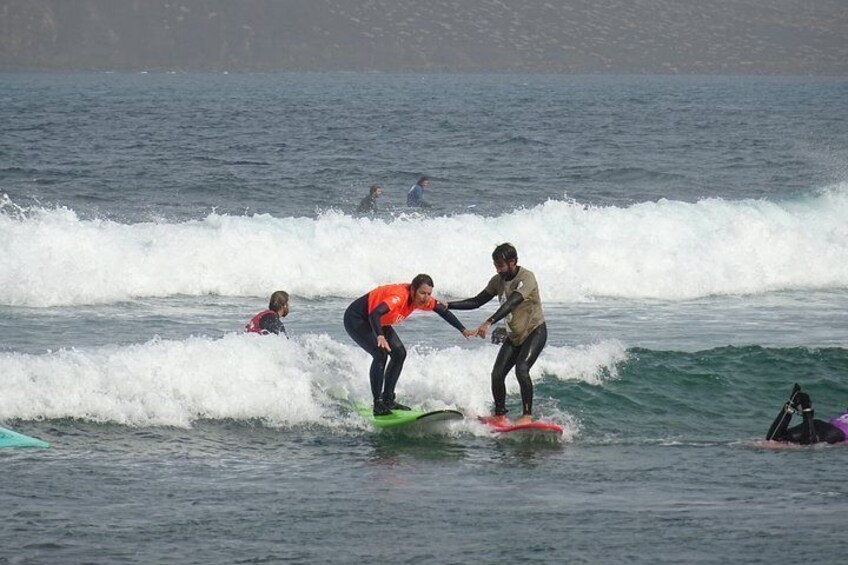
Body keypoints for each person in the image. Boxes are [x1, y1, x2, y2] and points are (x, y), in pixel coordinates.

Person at [344, 274, 476, 416]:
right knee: (380, 353)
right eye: (422, 293)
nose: (425, 298)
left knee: (399, 353)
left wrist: (463, 329)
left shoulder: (423, 300)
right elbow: (375, 313)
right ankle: (378, 403)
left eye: (428, 294)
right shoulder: (399, 297)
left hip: (379, 321)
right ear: (412, 290)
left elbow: (442, 311)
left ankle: (388, 399)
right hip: (358, 318)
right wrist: (380, 336)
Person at [446, 243, 546, 425]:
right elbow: (477, 301)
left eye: (501, 265)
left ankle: (526, 416)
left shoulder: (527, 278)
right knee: (497, 374)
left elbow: (512, 302)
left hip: (534, 331)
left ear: (513, 262)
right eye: (496, 265)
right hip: (514, 335)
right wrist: (448, 305)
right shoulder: (497, 280)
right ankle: (500, 415)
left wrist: (489, 322)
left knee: (522, 369)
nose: (498, 269)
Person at [765, 383, 847, 444]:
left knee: (774, 440)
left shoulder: (844, 414)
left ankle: (791, 404)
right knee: (810, 445)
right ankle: (806, 407)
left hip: (817, 424)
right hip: (834, 432)